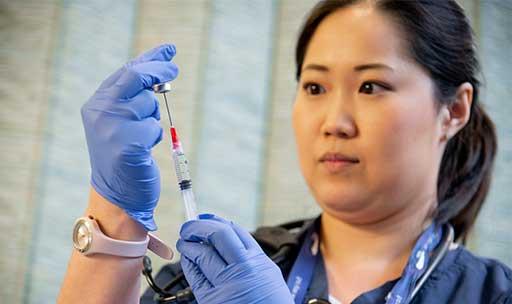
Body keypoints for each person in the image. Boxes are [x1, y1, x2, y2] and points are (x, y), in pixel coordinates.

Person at [57, 1, 512, 303]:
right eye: (314, 86)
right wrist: (116, 217)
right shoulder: (216, 279)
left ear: (453, 109)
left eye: (371, 86)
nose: (334, 121)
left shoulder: (493, 295)